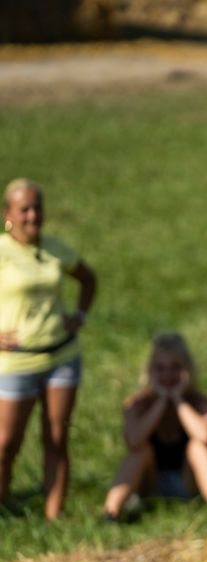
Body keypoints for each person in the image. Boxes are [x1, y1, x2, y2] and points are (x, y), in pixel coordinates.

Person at [0, 178, 96, 520]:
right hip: (15, 362)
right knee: (5, 444)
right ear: (8, 213)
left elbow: (88, 278)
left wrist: (79, 315)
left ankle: (54, 517)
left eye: (37, 207)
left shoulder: (56, 248)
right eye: (24, 209)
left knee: (56, 437)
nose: (32, 215)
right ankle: (4, 505)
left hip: (62, 357)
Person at [103, 332, 207, 520]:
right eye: (160, 368)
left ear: (188, 370)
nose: (168, 375)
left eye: (175, 368)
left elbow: (204, 436)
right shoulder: (137, 404)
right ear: (150, 372)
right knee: (140, 450)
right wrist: (162, 400)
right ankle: (110, 513)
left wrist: (178, 400)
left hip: (188, 482)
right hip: (150, 482)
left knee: (198, 448)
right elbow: (133, 441)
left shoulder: (202, 403)